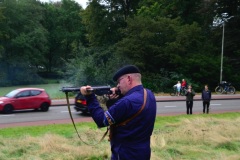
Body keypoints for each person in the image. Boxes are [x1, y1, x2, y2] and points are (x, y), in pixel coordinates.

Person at [80, 65, 157, 160]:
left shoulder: (126, 102)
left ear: (128, 79)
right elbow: (130, 111)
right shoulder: (149, 94)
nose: (117, 85)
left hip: (125, 154)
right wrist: (120, 93)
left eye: (119, 81)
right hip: (143, 152)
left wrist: (89, 97)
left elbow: (101, 120)